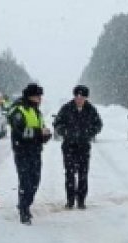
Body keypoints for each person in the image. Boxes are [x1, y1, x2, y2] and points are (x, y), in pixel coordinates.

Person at [8, 82, 52, 224]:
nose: (40, 99)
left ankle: (25, 204)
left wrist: (46, 134)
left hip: (36, 151)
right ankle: (24, 210)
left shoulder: (36, 111)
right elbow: (20, 133)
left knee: (35, 181)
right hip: (22, 151)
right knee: (25, 181)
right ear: (30, 96)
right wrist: (40, 133)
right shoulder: (18, 110)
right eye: (38, 96)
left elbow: (40, 129)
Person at [54, 85, 103, 209]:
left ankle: (81, 201)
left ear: (86, 98)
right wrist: (66, 132)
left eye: (82, 97)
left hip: (84, 147)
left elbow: (98, 125)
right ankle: (70, 200)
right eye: (77, 96)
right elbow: (57, 123)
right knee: (70, 174)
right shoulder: (66, 108)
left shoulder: (91, 109)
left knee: (83, 174)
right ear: (74, 96)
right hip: (68, 146)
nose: (79, 99)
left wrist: (89, 133)